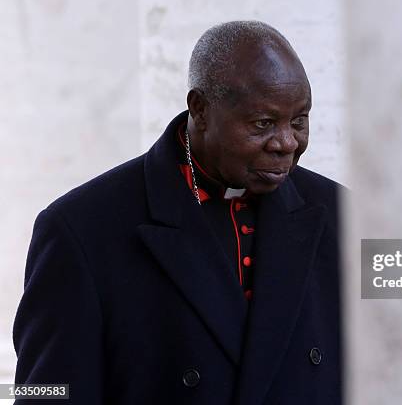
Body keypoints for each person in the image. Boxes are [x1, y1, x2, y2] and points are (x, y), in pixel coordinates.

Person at [13, 21, 342, 404]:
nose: (287, 143)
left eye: (299, 120)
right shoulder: (78, 229)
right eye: (263, 124)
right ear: (200, 110)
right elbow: (46, 395)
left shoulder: (348, 215)